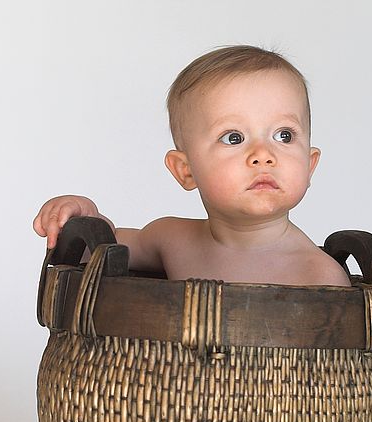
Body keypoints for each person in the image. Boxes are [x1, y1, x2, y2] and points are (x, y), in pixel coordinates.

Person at [32, 45, 352, 287]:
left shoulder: (318, 274)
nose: (263, 155)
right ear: (185, 170)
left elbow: (326, 372)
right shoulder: (171, 238)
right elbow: (100, 254)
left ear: (309, 166)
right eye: (233, 137)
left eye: (284, 135)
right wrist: (83, 218)